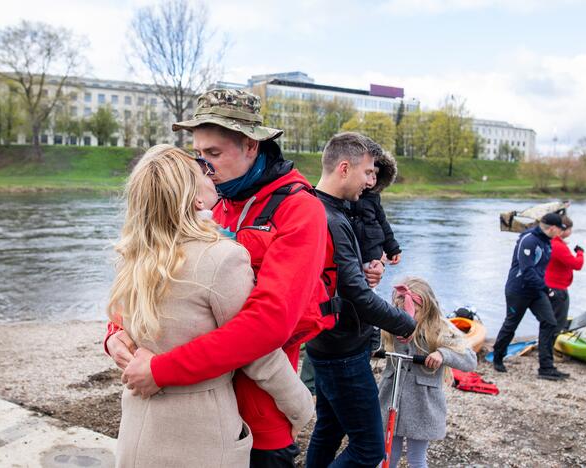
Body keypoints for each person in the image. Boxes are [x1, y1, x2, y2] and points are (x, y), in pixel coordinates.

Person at [105, 89, 356, 467]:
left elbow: (267, 323)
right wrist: (115, 334)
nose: (204, 166)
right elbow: (153, 272)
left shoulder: (301, 211)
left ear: (251, 146)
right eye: (199, 154)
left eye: (214, 154)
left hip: (258, 410)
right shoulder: (212, 199)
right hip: (194, 410)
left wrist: (161, 369)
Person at [110, 145, 314, 467]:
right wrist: (301, 406)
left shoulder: (134, 256)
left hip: (137, 430)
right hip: (198, 435)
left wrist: (112, 339)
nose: (211, 173)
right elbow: (256, 351)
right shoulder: (221, 258)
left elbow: (121, 323)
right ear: (196, 200)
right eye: (202, 171)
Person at [305, 132, 416, 468]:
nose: (371, 182)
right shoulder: (333, 218)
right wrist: (404, 323)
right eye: (368, 172)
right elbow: (356, 294)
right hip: (341, 348)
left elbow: (344, 277)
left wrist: (373, 265)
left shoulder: (320, 207)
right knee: (369, 450)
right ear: (344, 168)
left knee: (328, 427)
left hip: (324, 342)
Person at [379, 277, 477, 468]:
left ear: (426, 308)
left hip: (422, 404)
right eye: (402, 312)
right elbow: (372, 342)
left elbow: (470, 359)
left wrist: (443, 354)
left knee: (417, 457)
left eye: (413, 312)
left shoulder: (440, 328)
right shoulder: (390, 326)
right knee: (388, 453)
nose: (407, 318)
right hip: (390, 398)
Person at [492, 212, 568, 380]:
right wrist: (548, 290)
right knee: (511, 324)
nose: (561, 233)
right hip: (518, 290)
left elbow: (541, 269)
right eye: (560, 229)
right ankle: (498, 357)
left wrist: (545, 288)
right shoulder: (529, 240)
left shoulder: (547, 242)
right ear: (553, 228)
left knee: (549, 322)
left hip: (536, 291)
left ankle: (546, 368)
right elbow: (527, 270)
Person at [349, 149, 402, 267]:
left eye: (376, 174)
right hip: (353, 255)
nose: (372, 179)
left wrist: (393, 249)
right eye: (368, 173)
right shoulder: (347, 195)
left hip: (372, 255)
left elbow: (383, 223)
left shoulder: (374, 198)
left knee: (369, 282)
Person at [544, 215, 585, 334]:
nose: (571, 232)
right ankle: (549, 348)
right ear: (563, 230)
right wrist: (580, 253)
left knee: (549, 318)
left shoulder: (549, 242)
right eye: (570, 229)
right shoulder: (559, 246)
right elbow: (577, 265)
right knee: (558, 321)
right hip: (558, 289)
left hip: (548, 286)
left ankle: (546, 344)